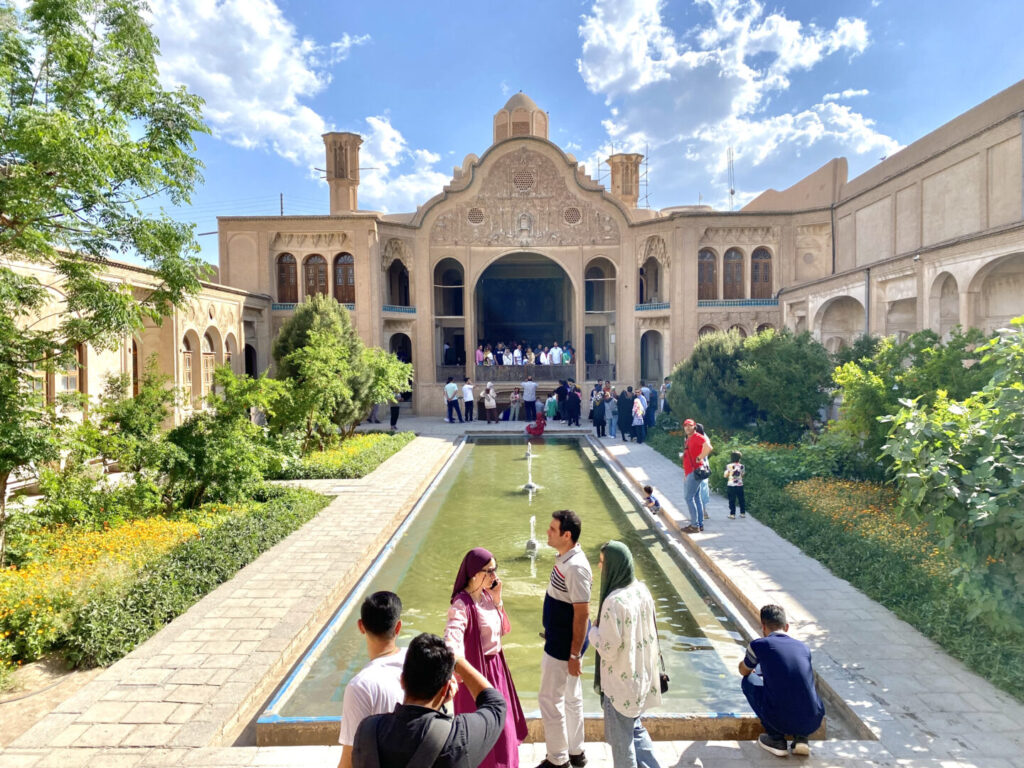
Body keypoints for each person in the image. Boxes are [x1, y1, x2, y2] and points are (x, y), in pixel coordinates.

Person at [352, 633, 506, 768]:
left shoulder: (367, 731)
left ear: (402, 680)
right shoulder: (458, 737)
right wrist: (458, 661)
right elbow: (496, 704)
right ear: (445, 689)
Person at [445, 549, 528, 768]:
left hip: (497, 669)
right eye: (489, 571)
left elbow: (504, 629)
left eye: (495, 570)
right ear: (474, 573)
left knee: (506, 730)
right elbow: (452, 637)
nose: (494, 576)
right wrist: (456, 659)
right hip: (478, 673)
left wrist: (498, 600)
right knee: (487, 733)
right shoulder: (461, 604)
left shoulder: (487, 596)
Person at [588, 542, 663, 768]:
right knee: (636, 728)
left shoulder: (614, 602)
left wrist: (592, 631)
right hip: (642, 677)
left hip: (621, 684)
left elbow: (609, 650)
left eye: (603, 563)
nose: (600, 568)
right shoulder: (642, 590)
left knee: (622, 744)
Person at [537, 510, 592, 768]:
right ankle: (575, 752)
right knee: (570, 697)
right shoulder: (565, 558)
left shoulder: (576, 567)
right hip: (561, 639)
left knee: (549, 700)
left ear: (566, 535)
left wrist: (573, 654)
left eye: (552, 529)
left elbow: (582, 614)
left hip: (563, 645)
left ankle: (557, 760)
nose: (547, 532)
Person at [739, 605, 824, 758]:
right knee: (801, 685)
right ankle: (801, 738)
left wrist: (750, 669)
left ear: (763, 627)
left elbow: (744, 670)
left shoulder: (759, 645)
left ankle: (775, 739)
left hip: (779, 719)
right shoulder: (803, 648)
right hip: (813, 720)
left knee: (748, 681)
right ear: (786, 627)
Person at [337, 591, 406, 768]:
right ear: (398, 627)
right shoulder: (417, 661)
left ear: (361, 626)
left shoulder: (360, 686)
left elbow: (350, 758)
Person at [680, 419, 711, 533]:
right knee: (696, 497)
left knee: (688, 498)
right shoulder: (689, 438)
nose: (687, 428)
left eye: (690, 426)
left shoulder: (697, 436)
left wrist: (700, 457)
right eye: (685, 426)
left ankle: (694, 525)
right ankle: (699, 524)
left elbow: (709, 447)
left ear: (694, 427)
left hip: (694, 472)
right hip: (690, 472)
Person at [724, 450, 746, 519]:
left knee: (732, 500)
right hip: (740, 485)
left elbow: (725, 475)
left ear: (731, 458)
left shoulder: (729, 466)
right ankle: (742, 513)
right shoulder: (742, 466)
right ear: (740, 458)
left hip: (731, 485)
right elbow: (742, 475)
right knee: (741, 499)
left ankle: (732, 514)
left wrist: (728, 473)